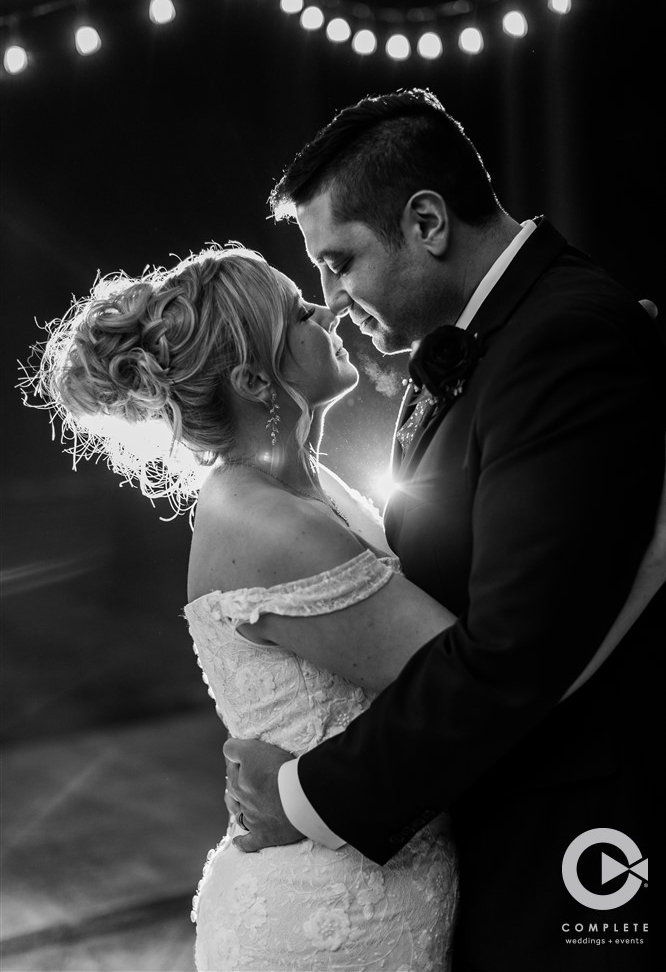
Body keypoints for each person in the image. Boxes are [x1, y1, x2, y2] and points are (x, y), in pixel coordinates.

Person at [223, 89, 666, 972]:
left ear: (426, 220)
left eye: (339, 262)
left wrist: (305, 797)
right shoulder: (507, 335)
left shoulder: (564, 339)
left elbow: (516, 650)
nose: (332, 300)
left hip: (586, 836)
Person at [23, 245, 467, 971]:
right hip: (331, 926)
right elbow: (474, 678)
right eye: (297, 313)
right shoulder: (269, 526)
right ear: (255, 378)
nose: (324, 310)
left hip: (374, 879)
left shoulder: (305, 485)